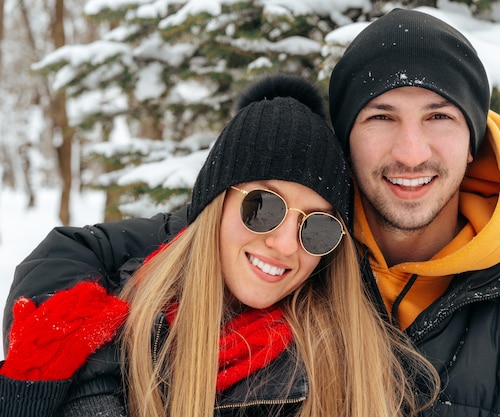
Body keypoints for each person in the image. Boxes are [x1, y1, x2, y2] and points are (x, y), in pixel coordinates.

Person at [4, 7, 500, 417]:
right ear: (345, 138)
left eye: (439, 116)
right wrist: (98, 378)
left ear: (474, 137)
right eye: (381, 117)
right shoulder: (289, 230)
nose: (410, 151)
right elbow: (79, 255)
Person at [0, 75, 439, 417]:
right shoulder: (122, 325)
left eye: (318, 228)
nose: (285, 244)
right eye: (263, 206)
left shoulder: (351, 366)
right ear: (215, 204)